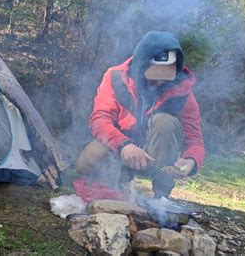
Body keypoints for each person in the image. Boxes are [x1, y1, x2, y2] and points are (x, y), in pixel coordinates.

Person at [76, 31, 205, 199]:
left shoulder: (181, 91)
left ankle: (160, 197)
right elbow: (100, 120)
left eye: (165, 78)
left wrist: (191, 161)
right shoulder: (115, 77)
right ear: (140, 67)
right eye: (153, 77)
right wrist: (124, 145)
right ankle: (117, 185)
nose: (158, 84)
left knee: (165, 122)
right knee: (91, 157)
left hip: (154, 158)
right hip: (118, 150)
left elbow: (194, 139)